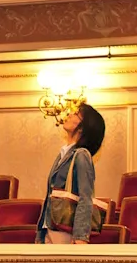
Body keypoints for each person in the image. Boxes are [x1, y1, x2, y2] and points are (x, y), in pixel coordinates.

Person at [36, 103, 106, 245]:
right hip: (50, 227)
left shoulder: (82, 155)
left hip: (65, 230)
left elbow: (85, 198)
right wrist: (40, 233)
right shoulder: (63, 154)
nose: (68, 115)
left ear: (82, 127)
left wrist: (80, 237)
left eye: (76, 114)